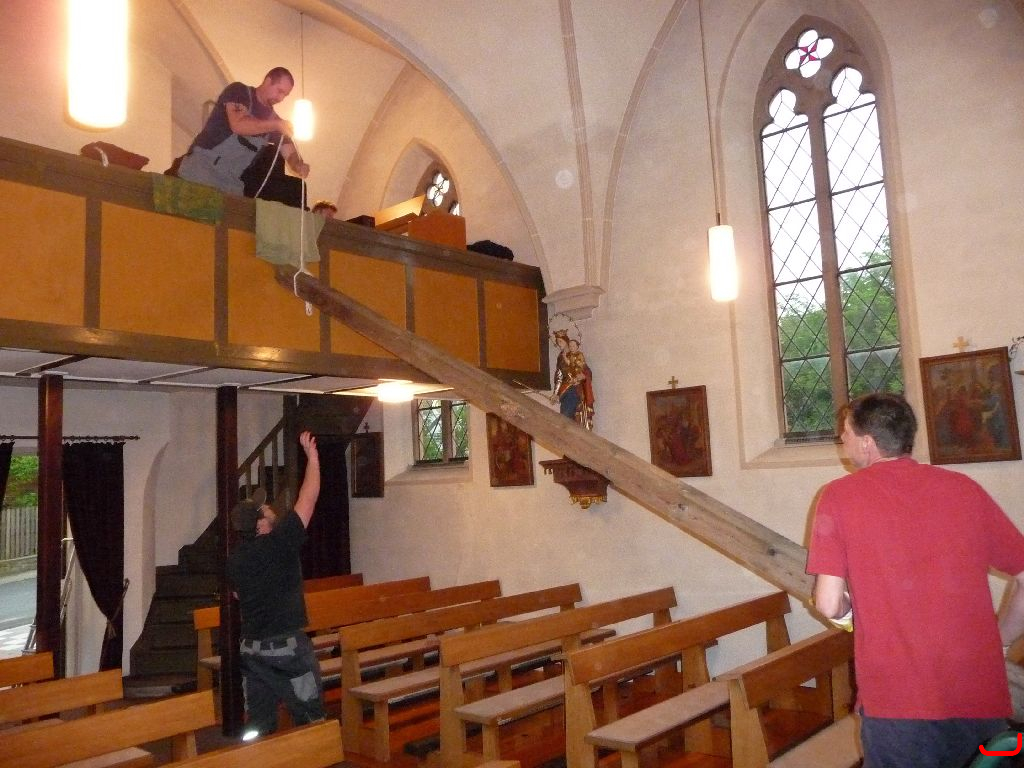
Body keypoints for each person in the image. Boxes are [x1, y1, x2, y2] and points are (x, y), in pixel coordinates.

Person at [806, 392, 1024, 768]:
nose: (841, 439)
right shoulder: (965, 489)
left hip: (899, 701)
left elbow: (827, 603)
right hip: (977, 691)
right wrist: (1000, 638)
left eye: (846, 432)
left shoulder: (839, 496)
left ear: (867, 442)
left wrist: (845, 614)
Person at [226, 431, 325, 739]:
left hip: (252, 650)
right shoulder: (280, 543)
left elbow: (236, 594)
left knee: (259, 723)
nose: (268, 508)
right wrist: (312, 458)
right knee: (310, 715)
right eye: (263, 509)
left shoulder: (235, 558)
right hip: (286, 649)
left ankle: (258, 755)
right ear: (260, 524)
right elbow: (308, 498)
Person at [178, 67, 310, 196]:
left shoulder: (274, 122)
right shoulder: (238, 91)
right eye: (279, 91)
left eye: (285, 95)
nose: (280, 98)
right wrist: (275, 125)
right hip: (201, 169)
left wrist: (298, 165)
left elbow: (290, 152)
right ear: (268, 81)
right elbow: (238, 125)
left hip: (230, 181)